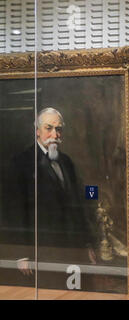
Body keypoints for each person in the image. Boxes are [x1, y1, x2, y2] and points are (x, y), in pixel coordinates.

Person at [1, 107, 97, 286]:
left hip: (72, 249)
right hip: (42, 251)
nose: (55, 134)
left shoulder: (67, 162)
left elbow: (77, 206)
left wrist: (87, 243)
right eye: (49, 128)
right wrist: (21, 254)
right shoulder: (21, 162)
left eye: (59, 129)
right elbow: (14, 211)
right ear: (37, 131)